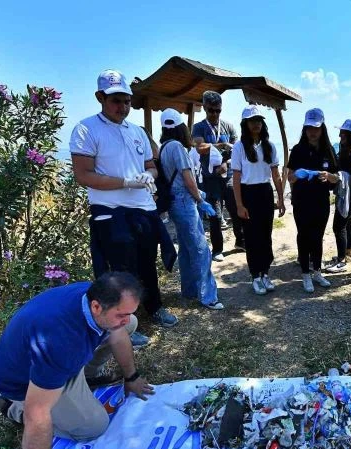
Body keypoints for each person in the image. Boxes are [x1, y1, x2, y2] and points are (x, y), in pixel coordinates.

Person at [0, 272, 155, 449]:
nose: (124, 318)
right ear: (96, 306)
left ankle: (85, 375)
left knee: (128, 325)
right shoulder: (61, 341)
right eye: (120, 313)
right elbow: (37, 414)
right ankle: (9, 404)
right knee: (93, 427)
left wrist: (131, 377)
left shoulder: (96, 296)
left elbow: (119, 332)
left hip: (57, 362)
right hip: (22, 383)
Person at [70, 69, 178, 335]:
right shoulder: (86, 129)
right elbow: (84, 175)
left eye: (127, 101)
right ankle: (123, 325)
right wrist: (126, 182)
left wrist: (148, 176)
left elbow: (151, 166)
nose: (123, 107)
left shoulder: (137, 131)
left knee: (147, 264)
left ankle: (154, 307)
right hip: (111, 211)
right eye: (116, 101)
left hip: (143, 209)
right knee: (119, 272)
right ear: (100, 97)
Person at [158, 108, 224, 310]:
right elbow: (187, 178)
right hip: (185, 203)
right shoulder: (177, 147)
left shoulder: (164, 147)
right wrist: (200, 199)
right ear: (181, 127)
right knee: (201, 250)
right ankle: (208, 296)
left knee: (186, 249)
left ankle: (189, 290)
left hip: (174, 203)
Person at [230, 105, 286, 295]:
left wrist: (280, 198)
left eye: (259, 120)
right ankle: (255, 275)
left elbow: (276, 175)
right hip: (248, 193)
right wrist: (239, 204)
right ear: (245, 124)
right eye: (252, 121)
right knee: (252, 237)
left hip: (265, 192)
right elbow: (236, 178)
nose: (256, 124)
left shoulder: (269, 146)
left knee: (266, 235)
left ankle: (265, 273)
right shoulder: (239, 147)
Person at [287, 108, 342, 293]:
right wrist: (298, 174)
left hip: (321, 201)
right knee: (303, 236)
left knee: (318, 236)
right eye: (309, 128)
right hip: (301, 201)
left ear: (322, 128)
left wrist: (329, 176)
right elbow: (290, 177)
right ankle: (305, 274)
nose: (312, 132)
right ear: (304, 128)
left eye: (316, 128)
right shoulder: (298, 150)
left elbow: (337, 177)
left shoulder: (328, 150)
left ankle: (317, 272)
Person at [191, 90, 243, 261]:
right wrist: (220, 145)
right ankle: (217, 249)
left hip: (228, 175)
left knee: (235, 208)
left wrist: (226, 164)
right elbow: (199, 148)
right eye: (211, 110)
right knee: (215, 215)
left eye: (217, 110)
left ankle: (240, 240)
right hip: (210, 178)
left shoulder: (228, 126)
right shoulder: (199, 127)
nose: (214, 114)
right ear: (204, 107)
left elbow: (236, 150)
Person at [325, 119, 351, 273]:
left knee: (338, 225)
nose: (340, 135)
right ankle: (348, 252)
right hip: (348, 191)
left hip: (349, 192)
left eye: (343, 133)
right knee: (347, 222)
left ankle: (341, 261)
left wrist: (336, 176)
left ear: (350, 135)